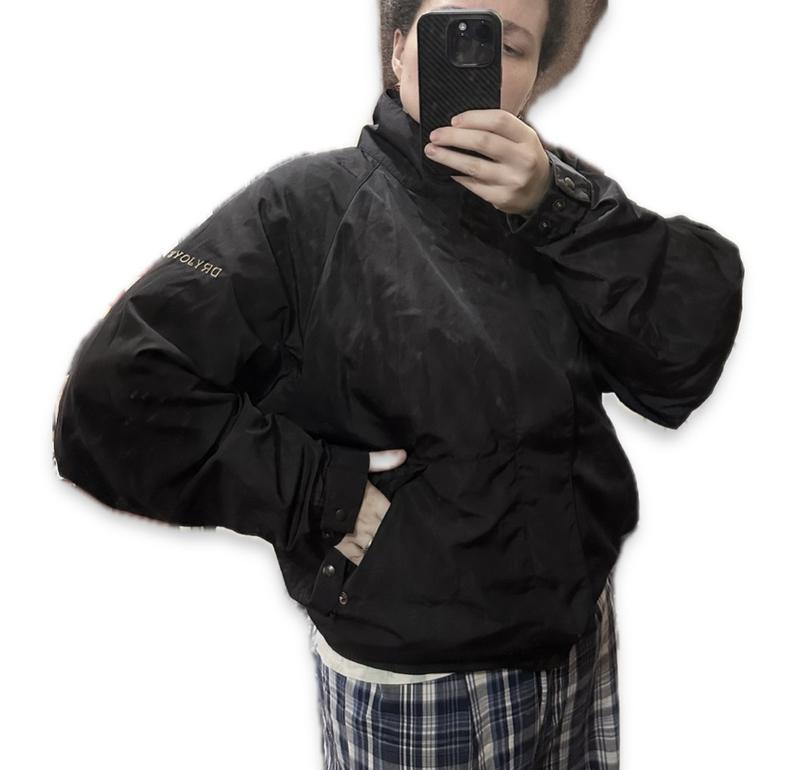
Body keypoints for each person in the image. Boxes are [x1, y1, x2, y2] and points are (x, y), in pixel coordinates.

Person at [51, 0, 744, 767]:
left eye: (510, 46)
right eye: (453, 31)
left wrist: (560, 211)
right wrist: (319, 493)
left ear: (535, 76)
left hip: (578, 643)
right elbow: (115, 396)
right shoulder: (304, 210)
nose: (479, 61)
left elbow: (681, 357)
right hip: (425, 683)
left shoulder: (558, 198)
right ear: (399, 49)